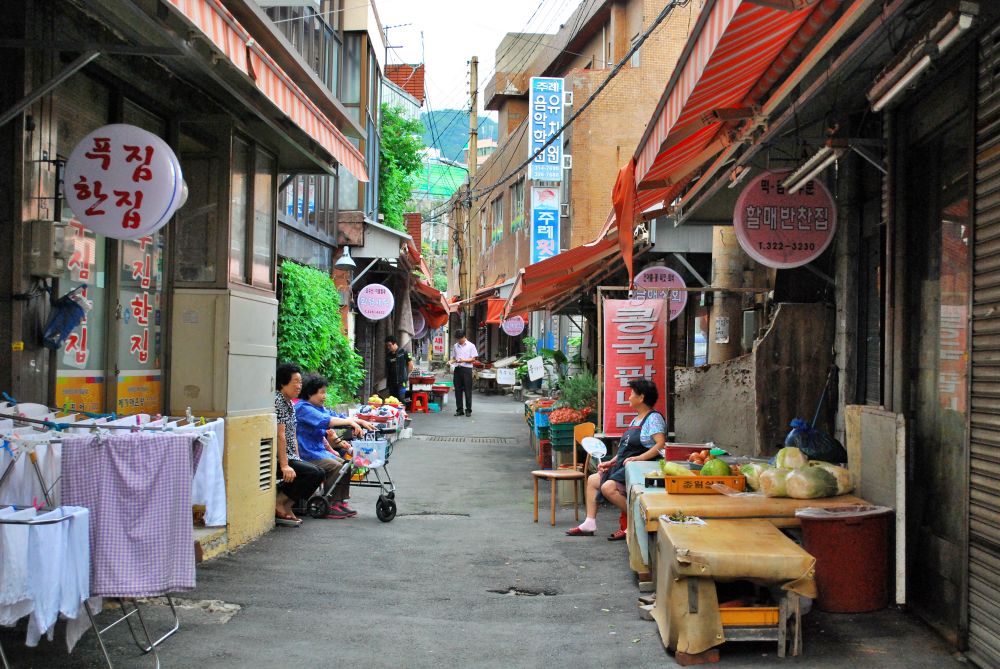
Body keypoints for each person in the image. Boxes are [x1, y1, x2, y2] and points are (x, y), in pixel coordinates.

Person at [566, 377, 666, 540]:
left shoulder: (653, 418)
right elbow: (626, 448)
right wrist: (611, 461)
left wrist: (639, 458)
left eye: (632, 394)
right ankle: (590, 522)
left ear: (641, 398)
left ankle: (638, 519)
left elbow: (660, 444)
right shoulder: (636, 419)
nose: (629, 397)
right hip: (623, 466)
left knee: (607, 488)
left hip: (639, 469)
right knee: (592, 480)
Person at [295, 374, 376, 519]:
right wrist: (352, 423)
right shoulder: (303, 408)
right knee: (336, 466)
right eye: (321, 392)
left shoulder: (319, 408)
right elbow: (327, 420)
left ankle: (339, 502)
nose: (324, 396)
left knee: (345, 464)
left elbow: (338, 416)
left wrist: (360, 422)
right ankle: (330, 503)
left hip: (318, 452)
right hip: (306, 454)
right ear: (310, 393)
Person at [274, 362, 325, 527]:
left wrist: (297, 458)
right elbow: (280, 435)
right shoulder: (278, 401)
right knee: (312, 473)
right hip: (278, 457)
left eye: (300, 382)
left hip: (290, 455)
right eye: (295, 381)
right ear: (283, 383)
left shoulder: (290, 403)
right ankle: (279, 502)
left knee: (318, 472)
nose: (299, 385)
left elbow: (293, 434)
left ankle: (287, 506)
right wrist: (285, 465)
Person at [449, 329, 478, 417]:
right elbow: (454, 358)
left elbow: (473, 359)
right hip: (457, 369)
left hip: (467, 370)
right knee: (457, 390)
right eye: (457, 339)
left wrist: (463, 360)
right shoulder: (455, 346)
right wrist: (450, 361)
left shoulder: (471, 346)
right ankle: (459, 410)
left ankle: (468, 410)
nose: (458, 341)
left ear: (464, 337)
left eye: (460, 339)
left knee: (467, 390)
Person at [385, 336, 414, 402]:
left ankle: (402, 412)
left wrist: (405, 376)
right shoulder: (388, 355)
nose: (388, 347)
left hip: (401, 382)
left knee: (401, 399)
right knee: (392, 400)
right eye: (387, 346)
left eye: (390, 345)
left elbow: (411, 365)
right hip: (391, 382)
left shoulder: (404, 352)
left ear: (395, 343)